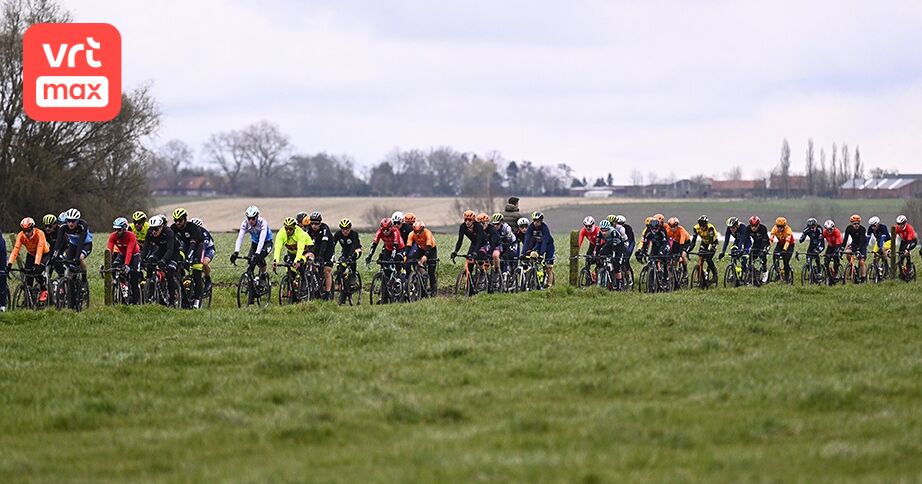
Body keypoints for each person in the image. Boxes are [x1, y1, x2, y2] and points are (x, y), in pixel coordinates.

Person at [140, 216, 181, 305]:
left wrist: (163, 260)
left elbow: (170, 250)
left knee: (169, 272)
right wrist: (141, 259)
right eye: (152, 229)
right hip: (161, 251)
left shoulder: (168, 232)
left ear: (162, 226)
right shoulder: (150, 232)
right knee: (150, 263)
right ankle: (149, 289)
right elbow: (145, 249)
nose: (154, 231)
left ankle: (172, 301)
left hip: (173, 252)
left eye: (156, 229)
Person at [171, 208, 205, 308]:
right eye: (175, 220)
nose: (177, 223)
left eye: (180, 220)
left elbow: (193, 245)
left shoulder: (193, 228)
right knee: (178, 267)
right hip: (183, 248)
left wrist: (187, 259)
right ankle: (183, 295)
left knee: (196, 272)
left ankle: (197, 300)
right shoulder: (173, 228)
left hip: (197, 247)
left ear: (185, 219)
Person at [231, 206, 274, 282]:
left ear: (257, 216)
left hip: (266, 242)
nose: (250, 221)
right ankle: (251, 282)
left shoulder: (263, 222)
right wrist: (236, 252)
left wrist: (257, 253)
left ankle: (263, 274)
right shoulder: (245, 223)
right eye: (249, 218)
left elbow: (262, 238)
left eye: (253, 218)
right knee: (250, 261)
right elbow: (240, 238)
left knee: (258, 258)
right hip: (255, 243)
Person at [52, 208, 93, 283]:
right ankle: (71, 283)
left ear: (77, 220)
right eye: (68, 220)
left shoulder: (83, 225)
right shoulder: (63, 226)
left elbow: (81, 242)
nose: (70, 223)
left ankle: (84, 280)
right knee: (68, 263)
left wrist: (77, 258)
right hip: (73, 244)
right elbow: (58, 241)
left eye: (73, 221)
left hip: (85, 244)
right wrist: (55, 255)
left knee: (80, 258)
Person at [106, 217, 141, 304]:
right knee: (114, 267)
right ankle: (118, 284)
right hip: (122, 254)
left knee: (133, 276)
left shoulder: (130, 235)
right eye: (115, 229)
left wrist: (126, 265)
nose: (117, 232)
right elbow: (109, 251)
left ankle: (136, 301)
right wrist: (107, 264)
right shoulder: (113, 236)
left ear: (124, 229)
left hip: (134, 255)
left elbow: (129, 251)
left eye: (119, 230)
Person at [273, 217, 313, 285]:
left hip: (306, 249)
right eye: (286, 228)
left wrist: (297, 261)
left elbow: (300, 248)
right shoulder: (281, 233)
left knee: (300, 263)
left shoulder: (300, 233)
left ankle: (304, 282)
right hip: (292, 251)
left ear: (294, 228)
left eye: (290, 229)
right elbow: (278, 247)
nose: (288, 231)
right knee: (289, 267)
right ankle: (291, 287)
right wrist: (275, 260)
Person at [304, 211, 334, 300]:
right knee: (310, 261)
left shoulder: (325, 229)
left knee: (327, 271)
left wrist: (320, 257)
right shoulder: (309, 229)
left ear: (320, 223)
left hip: (328, 250)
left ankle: (327, 293)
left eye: (316, 224)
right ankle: (313, 284)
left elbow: (324, 245)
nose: (314, 226)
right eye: (312, 223)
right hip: (316, 249)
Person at [594, 219, 629, 289]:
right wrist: (597, 255)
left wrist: (613, 255)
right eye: (602, 230)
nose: (604, 233)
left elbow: (614, 246)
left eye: (606, 230)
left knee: (616, 264)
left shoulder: (613, 232)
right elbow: (597, 245)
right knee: (601, 254)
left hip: (619, 245)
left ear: (609, 228)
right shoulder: (599, 233)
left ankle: (619, 284)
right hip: (609, 244)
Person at [523, 211, 556, 286]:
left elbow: (545, 241)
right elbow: (526, 240)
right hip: (539, 244)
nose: (535, 223)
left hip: (548, 245)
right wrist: (523, 253)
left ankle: (549, 285)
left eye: (537, 221)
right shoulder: (531, 227)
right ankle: (535, 275)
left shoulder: (544, 228)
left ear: (541, 221)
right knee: (533, 255)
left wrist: (541, 254)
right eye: (534, 221)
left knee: (548, 267)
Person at [407, 220, 438, 295]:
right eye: (415, 231)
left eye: (419, 231)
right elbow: (408, 246)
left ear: (422, 229)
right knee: (411, 260)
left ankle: (433, 291)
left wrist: (425, 256)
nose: (417, 233)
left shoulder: (427, 233)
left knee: (431, 272)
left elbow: (429, 246)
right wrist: (405, 256)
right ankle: (418, 276)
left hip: (431, 250)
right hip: (420, 248)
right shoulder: (411, 234)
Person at [332, 218, 363, 289]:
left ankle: (353, 275)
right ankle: (340, 281)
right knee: (341, 264)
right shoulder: (338, 234)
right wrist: (331, 255)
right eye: (343, 229)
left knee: (352, 259)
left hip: (356, 250)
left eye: (347, 229)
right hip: (345, 251)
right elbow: (332, 245)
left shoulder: (354, 234)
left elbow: (354, 245)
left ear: (350, 228)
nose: (345, 231)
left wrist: (349, 258)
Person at [189, 218, 216, 293]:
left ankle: (207, 279)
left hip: (208, 249)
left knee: (204, 263)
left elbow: (203, 248)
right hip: (197, 249)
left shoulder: (204, 233)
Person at [689, 215, 719, 282]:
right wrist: (689, 250)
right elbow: (693, 241)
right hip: (704, 242)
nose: (702, 227)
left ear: (706, 224)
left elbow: (711, 240)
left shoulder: (710, 228)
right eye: (701, 225)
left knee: (708, 258)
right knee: (700, 257)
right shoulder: (696, 228)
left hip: (713, 243)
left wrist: (708, 250)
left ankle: (715, 275)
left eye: (703, 226)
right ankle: (700, 276)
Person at [842, 214, 868, 281]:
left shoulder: (862, 229)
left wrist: (859, 249)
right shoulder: (848, 228)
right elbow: (845, 239)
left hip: (862, 245)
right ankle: (851, 266)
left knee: (861, 262)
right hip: (854, 244)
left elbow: (862, 240)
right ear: (851, 223)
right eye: (854, 224)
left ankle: (863, 278)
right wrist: (842, 248)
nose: (856, 225)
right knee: (847, 252)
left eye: (858, 223)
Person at [748, 216, 770, 281]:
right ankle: (754, 273)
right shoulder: (748, 228)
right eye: (752, 226)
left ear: (758, 225)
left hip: (765, 243)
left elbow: (765, 239)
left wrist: (763, 250)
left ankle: (765, 272)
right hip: (756, 244)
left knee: (762, 256)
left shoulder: (763, 228)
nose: (753, 228)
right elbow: (745, 239)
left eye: (755, 226)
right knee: (750, 258)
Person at [0, 227, 7, 312]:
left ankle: (3, 305)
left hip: (1, 259)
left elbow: (2, 254)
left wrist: (2, 270)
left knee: (1, 281)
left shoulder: (1, 241)